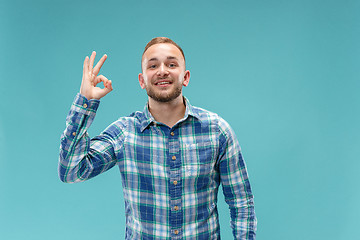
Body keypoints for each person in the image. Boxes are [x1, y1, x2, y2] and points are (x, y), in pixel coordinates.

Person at [59, 37, 257, 239]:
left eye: (171, 64)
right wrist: (85, 102)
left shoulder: (217, 131)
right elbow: (72, 171)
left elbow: (241, 203)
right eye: (153, 65)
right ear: (142, 80)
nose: (162, 70)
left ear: (185, 77)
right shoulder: (124, 133)